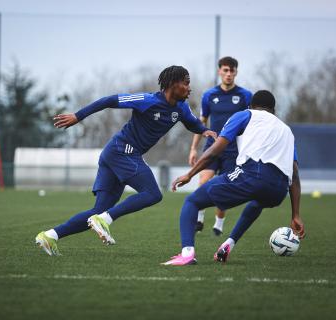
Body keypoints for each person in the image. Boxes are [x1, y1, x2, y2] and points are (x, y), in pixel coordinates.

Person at [35, 66, 217, 256]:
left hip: (116, 154)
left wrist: (203, 130)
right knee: (153, 194)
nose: (190, 88)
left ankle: (50, 235)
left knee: (98, 210)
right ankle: (106, 219)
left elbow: (191, 122)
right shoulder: (147, 100)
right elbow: (109, 100)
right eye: (186, 83)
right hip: (122, 151)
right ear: (173, 84)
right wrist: (77, 116)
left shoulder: (181, 108)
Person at [163, 90, 305, 266]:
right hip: (279, 189)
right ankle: (228, 243)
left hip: (253, 173)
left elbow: (216, 149)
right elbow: (296, 175)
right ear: (273, 111)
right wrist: (296, 214)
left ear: (251, 106)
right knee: (257, 202)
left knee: (192, 201)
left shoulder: (245, 115)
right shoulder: (287, 131)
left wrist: (190, 174)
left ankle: (187, 253)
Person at [188, 56, 252, 236]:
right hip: (212, 147)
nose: (229, 74)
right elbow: (201, 121)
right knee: (203, 181)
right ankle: (199, 219)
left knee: (224, 188)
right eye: (225, 70)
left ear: (236, 72)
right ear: (219, 71)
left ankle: (219, 224)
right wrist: (193, 148)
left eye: (232, 71)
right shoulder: (209, 95)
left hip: (233, 151)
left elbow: (252, 123)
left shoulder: (245, 96)